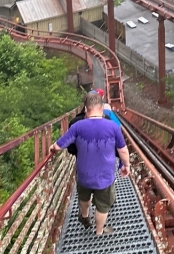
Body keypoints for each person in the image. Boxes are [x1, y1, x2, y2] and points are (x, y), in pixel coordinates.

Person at [52, 91, 130, 236]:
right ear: (102, 109)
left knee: (84, 197)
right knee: (103, 206)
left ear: (86, 109)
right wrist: (126, 165)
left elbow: (58, 146)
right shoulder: (112, 126)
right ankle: (99, 231)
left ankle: (85, 215)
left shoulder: (77, 126)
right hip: (105, 177)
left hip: (84, 175)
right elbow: (123, 151)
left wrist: (52, 148)